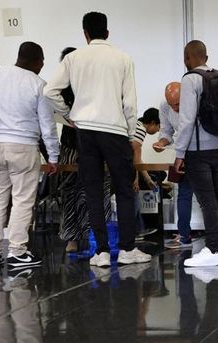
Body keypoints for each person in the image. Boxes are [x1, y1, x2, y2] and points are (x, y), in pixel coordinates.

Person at [44, 11, 151, 267]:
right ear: (108, 32)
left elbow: (49, 91)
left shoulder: (73, 58)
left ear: (85, 34)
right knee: (124, 190)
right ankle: (127, 249)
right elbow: (130, 104)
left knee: (92, 190)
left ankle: (100, 252)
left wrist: (70, 115)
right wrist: (127, 132)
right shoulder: (122, 58)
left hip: (85, 132)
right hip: (114, 131)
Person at [0, 41, 59, 270]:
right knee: (22, 201)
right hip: (24, 146)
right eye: (42, 62)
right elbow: (48, 126)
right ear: (37, 61)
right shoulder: (38, 84)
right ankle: (17, 251)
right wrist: (53, 157)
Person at [53, 47, 113, 254]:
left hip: (97, 144)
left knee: (99, 191)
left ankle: (99, 239)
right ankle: (72, 237)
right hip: (71, 146)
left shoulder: (94, 84)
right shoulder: (61, 90)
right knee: (70, 192)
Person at [173, 40, 218, 267]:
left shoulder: (190, 79)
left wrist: (179, 153)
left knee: (207, 201)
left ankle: (212, 250)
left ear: (188, 57)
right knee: (216, 198)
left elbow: (186, 121)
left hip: (198, 150)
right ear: (206, 56)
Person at [154, 82, 194, 249]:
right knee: (183, 194)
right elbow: (166, 131)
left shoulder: (194, 101)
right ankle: (184, 235)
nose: (174, 108)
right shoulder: (165, 107)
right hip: (181, 154)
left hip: (201, 150)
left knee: (209, 197)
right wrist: (161, 142)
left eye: (177, 104)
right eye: (171, 105)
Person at [131, 107, 161, 237]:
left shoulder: (136, 126)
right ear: (153, 123)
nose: (159, 130)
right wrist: (135, 178)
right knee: (133, 199)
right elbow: (135, 159)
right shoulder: (140, 130)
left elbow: (136, 157)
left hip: (123, 165)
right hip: (124, 168)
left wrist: (147, 179)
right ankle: (134, 232)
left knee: (134, 199)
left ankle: (138, 229)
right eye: (159, 126)